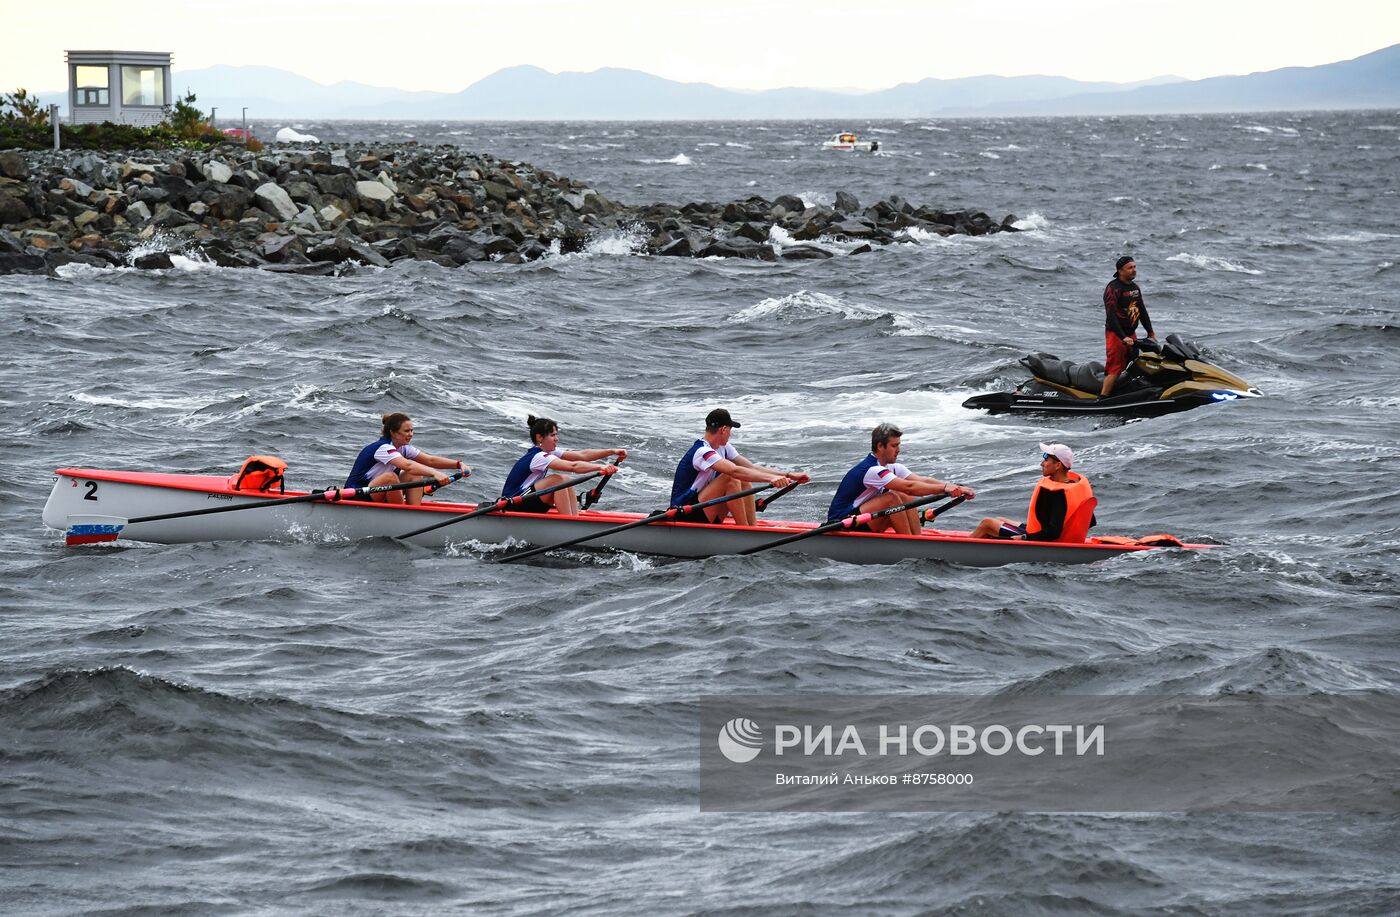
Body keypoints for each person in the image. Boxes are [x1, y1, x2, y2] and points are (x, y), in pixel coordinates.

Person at [827, 423, 975, 535]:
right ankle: (909, 545)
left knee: (904, 496)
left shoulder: (893, 467)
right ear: (880, 446)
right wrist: (944, 489)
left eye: (899, 445)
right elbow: (909, 487)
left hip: (864, 520)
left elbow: (922, 482)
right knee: (892, 497)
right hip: (841, 523)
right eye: (894, 446)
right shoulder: (872, 470)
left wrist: (954, 487)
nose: (898, 450)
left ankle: (917, 539)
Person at [670, 408, 810, 525]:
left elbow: (751, 468)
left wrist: (787, 475)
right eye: (730, 430)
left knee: (743, 477)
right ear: (724, 429)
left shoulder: (723, 448)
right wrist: (770, 479)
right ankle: (745, 533)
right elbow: (734, 471)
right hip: (684, 514)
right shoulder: (702, 451)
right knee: (731, 477)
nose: (730, 435)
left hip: (703, 510)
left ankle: (752, 528)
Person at [969, 443, 1097, 543]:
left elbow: (1053, 532)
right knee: (998, 520)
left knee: (987, 524)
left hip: (1048, 541)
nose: (1042, 463)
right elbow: (1090, 521)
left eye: (1046, 459)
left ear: (1058, 465)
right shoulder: (1075, 484)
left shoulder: (1057, 492)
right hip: (1048, 535)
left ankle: (965, 548)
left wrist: (1024, 538)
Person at [501, 415, 627, 516]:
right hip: (512, 503)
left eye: (556, 434)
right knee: (557, 480)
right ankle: (569, 524)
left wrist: (612, 451)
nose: (557, 439)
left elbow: (583, 455)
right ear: (539, 438)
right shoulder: (538, 457)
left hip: (527, 501)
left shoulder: (549, 452)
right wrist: (600, 467)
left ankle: (574, 518)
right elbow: (573, 467)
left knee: (566, 479)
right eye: (552, 435)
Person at [344, 412, 468, 505]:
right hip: (358, 495)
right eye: (407, 431)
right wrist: (435, 474)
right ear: (393, 433)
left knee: (414, 476)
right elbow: (408, 465)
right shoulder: (383, 448)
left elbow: (430, 460)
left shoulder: (403, 448)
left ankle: (414, 512)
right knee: (391, 477)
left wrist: (459, 464)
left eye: (412, 430)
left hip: (377, 492)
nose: (411, 434)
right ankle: (402, 516)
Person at [1100, 256, 1156, 398]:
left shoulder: (1135, 288)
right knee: (1115, 366)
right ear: (1120, 271)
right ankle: (1103, 397)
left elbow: (1142, 311)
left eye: (1135, 267)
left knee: (1135, 363)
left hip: (1131, 334)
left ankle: (1128, 391)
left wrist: (1151, 332)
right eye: (1130, 268)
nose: (1134, 270)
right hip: (1116, 334)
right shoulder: (1113, 289)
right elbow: (1111, 317)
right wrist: (1123, 337)